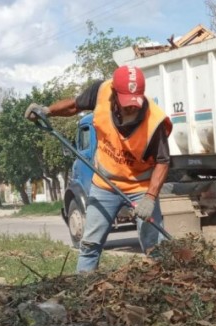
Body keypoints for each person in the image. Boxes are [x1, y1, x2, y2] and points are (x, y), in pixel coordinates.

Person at [25, 65, 172, 273]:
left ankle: (162, 288)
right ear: (115, 94)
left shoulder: (154, 122)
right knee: (89, 245)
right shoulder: (102, 92)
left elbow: (163, 161)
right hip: (105, 185)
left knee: (155, 247)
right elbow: (74, 106)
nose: (132, 108)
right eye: (127, 104)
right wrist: (47, 111)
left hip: (140, 187)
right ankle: (82, 293)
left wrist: (150, 197)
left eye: (135, 103)